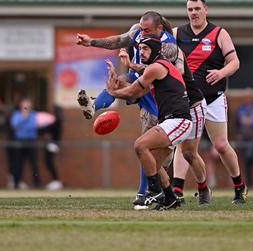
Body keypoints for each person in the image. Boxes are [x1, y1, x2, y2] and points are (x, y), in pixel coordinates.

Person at [76, 11, 183, 208]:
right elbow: (117, 41)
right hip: (142, 85)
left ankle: (172, 192)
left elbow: (156, 71)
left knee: (156, 154)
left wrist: (130, 65)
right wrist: (91, 42)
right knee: (119, 82)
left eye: (147, 30)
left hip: (159, 99)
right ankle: (94, 104)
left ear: (159, 29)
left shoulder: (169, 47)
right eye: (141, 29)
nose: (142, 33)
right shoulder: (137, 31)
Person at [175, 0, 247, 204]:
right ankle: (178, 189)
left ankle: (239, 186)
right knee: (184, 145)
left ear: (206, 9)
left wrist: (221, 73)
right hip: (188, 99)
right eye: (190, 9)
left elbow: (234, 62)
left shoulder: (218, 33)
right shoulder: (177, 33)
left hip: (213, 97)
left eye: (197, 9)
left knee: (221, 145)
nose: (194, 13)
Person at [105, 35, 192, 210]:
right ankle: (170, 198)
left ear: (155, 50)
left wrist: (111, 92)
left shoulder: (157, 67)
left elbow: (134, 91)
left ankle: (154, 191)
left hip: (178, 119)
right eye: (140, 49)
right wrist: (119, 84)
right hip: (173, 120)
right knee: (154, 161)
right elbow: (134, 88)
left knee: (140, 145)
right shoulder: (157, 66)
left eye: (145, 49)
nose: (141, 52)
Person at [9, 97, 41, 189]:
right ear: (21, 105)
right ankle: (16, 183)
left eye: (28, 104)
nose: (26, 106)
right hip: (20, 141)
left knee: (34, 163)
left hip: (31, 141)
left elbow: (33, 126)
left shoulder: (34, 115)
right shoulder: (17, 114)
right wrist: (24, 117)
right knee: (18, 163)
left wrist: (23, 124)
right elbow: (14, 125)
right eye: (24, 104)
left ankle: (37, 183)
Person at [234, 88, 253, 187]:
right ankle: (248, 182)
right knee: (245, 159)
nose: (247, 98)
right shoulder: (240, 109)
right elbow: (237, 124)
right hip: (244, 139)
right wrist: (239, 135)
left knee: (250, 157)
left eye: (249, 96)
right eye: (245, 96)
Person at [40, 105, 64, 190]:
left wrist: (41, 128)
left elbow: (47, 129)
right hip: (52, 144)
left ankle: (56, 181)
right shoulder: (56, 121)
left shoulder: (56, 121)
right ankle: (55, 181)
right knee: (48, 162)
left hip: (53, 144)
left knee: (49, 162)